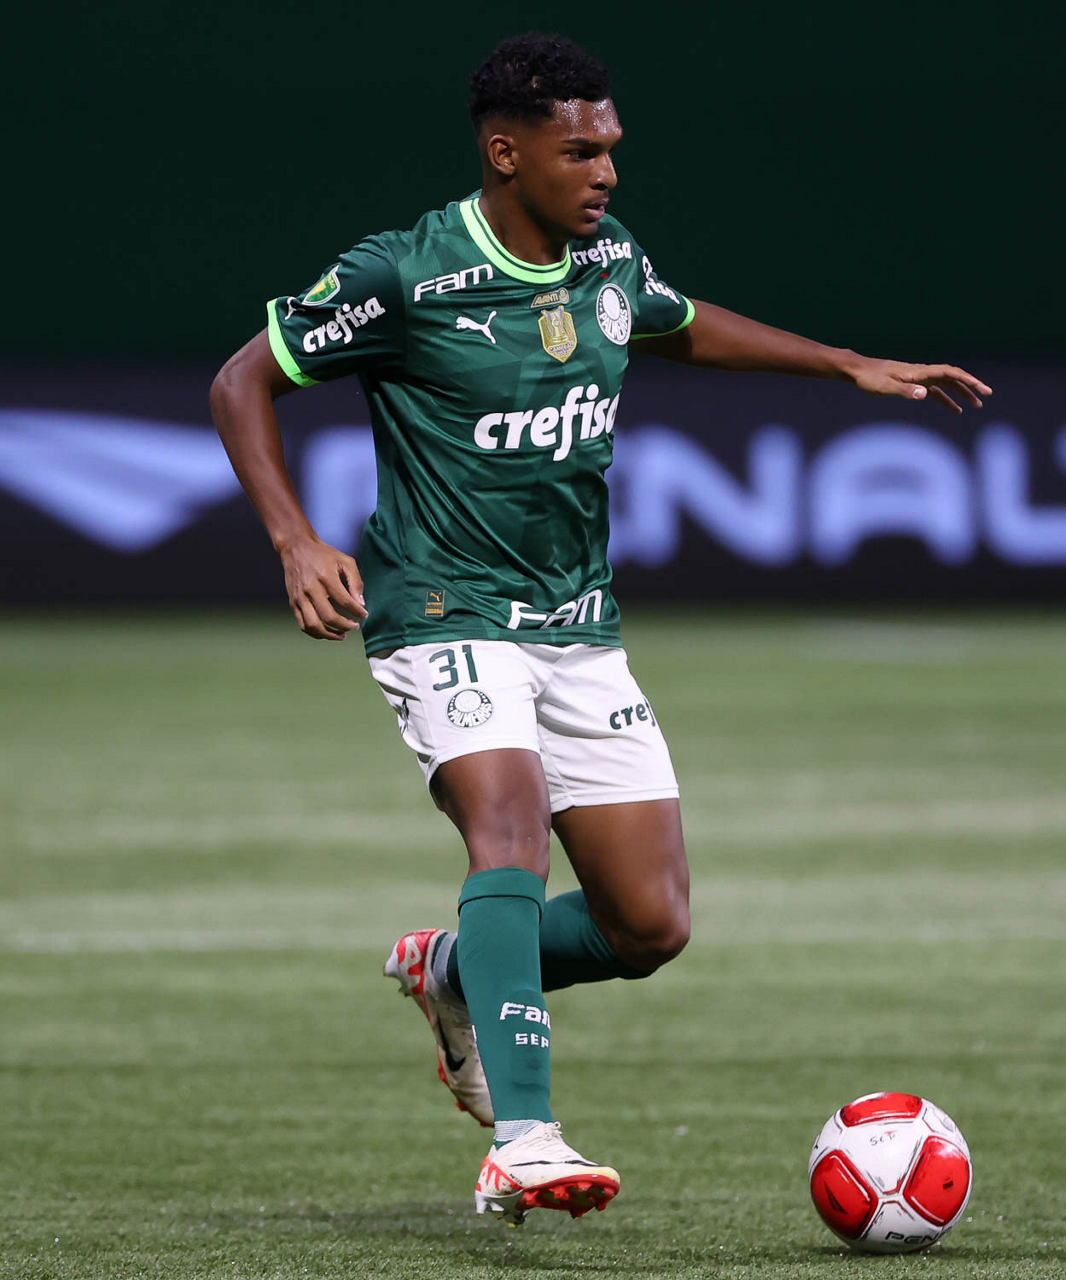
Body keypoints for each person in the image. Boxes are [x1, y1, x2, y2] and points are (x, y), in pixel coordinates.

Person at [210, 32, 991, 1228]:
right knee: (508, 825)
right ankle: (522, 1140)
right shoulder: (407, 273)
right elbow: (241, 379)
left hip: (577, 619)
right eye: (580, 151)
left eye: (611, 147)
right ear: (504, 152)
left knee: (647, 921)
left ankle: (453, 968)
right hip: (441, 602)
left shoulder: (606, 256)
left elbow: (670, 321)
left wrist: (844, 365)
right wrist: (295, 541)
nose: (607, 171)